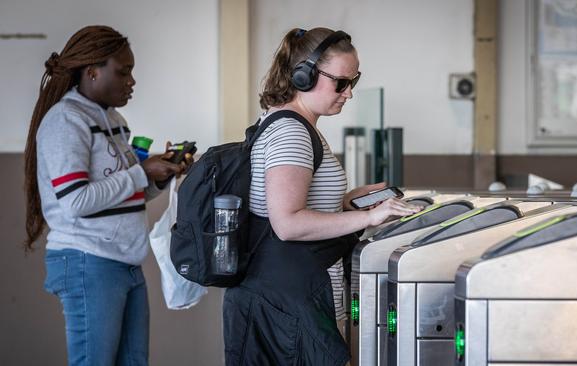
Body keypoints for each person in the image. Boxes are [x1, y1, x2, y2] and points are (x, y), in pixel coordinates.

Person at [222, 27, 422, 365]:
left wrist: (346, 203)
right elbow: (286, 224)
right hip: (285, 305)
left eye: (353, 82)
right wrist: (368, 217)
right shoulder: (292, 132)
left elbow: (290, 207)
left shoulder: (294, 125)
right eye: (341, 82)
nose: (348, 93)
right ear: (304, 75)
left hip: (284, 298)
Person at [23, 25, 190, 366]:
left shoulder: (115, 121)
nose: (132, 81)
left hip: (123, 262)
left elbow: (124, 195)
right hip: (87, 260)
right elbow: (75, 201)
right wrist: (141, 173)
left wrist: (160, 175)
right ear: (92, 71)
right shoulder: (66, 121)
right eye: (123, 72)